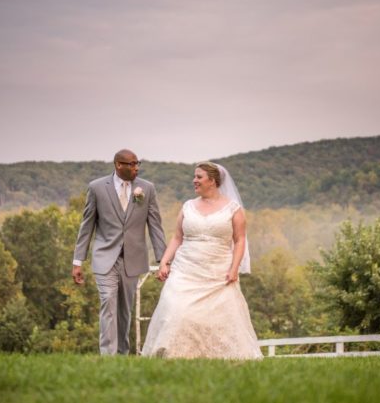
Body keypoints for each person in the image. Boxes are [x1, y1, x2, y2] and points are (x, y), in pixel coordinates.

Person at [141, 162, 263, 359]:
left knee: (219, 318)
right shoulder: (188, 206)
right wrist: (164, 261)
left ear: (212, 181)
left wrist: (234, 268)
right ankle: (171, 354)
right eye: (194, 176)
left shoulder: (233, 209)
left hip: (218, 272)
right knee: (175, 310)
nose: (194, 180)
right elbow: (177, 237)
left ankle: (220, 357)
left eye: (199, 177)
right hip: (185, 269)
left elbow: (240, 241)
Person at [72, 149, 166, 355]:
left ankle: (122, 354)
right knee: (108, 303)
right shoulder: (96, 188)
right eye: (131, 164)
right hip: (105, 258)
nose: (136, 168)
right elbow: (86, 225)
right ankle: (108, 356)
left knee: (124, 311)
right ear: (118, 165)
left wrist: (163, 260)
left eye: (137, 163)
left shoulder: (146, 189)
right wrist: (78, 260)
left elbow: (155, 226)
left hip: (133, 260)